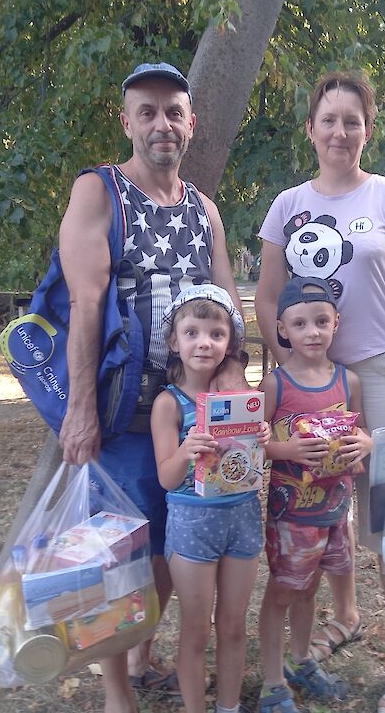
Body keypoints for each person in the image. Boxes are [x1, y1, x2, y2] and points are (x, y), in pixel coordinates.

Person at [58, 62, 246, 713]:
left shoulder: (204, 212)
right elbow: (85, 304)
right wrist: (81, 409)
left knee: (170, 544)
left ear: (191, 124)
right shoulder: (99, 192)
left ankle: (139, 656)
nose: (161, 123)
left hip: (189, 417)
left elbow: (228, 306)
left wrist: (235, 388)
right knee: (116, 556)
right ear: (127, 122)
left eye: (173, 112)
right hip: (120, 417)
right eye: (147, 111)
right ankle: (117, 693)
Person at [255, 71, 385, 713]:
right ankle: (335, 623)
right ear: (310, 129)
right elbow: (266, 299)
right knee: (316, 509)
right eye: (328, 119)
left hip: (380, 375)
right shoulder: (286, 206)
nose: (339, 131)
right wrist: (292, 374)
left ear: (367, 130)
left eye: (352, 121)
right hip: (311, 384)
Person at [150, 285, 271, 713]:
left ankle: (229, 705)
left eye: (216, 334)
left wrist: (260, 437)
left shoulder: (241, 401)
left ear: (229, 343)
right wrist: (186, 450)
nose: (204, 343)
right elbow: (167, 479)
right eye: (192, 333)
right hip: (192, 524)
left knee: (233, 626)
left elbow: (252, 462)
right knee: (197, 630)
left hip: (242, 517)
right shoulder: (168, 404)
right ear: (174, 341)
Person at [256, 276, 373, 713]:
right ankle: (272, 684)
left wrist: (366, 443)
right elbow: (251, 446)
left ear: (335, 323)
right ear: (282, 329)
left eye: (322, 322)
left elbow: (362, 430)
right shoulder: (275, 386)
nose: (312, 332)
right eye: (300, 324)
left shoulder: (349, 381)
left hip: (336, 512)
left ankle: (301, 660)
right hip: (292, 518)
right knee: (282, 593)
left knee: (309, 591)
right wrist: (286, 449)